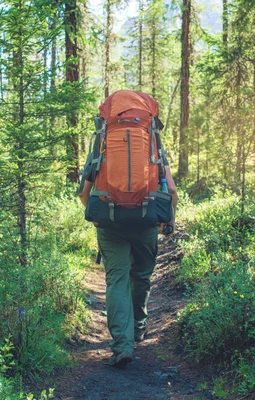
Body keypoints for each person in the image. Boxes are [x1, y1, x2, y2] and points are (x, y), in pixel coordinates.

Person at [78, 148, 178, 367]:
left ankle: (123, 346)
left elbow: (83, 193)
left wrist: (95, 216)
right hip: (146, 220)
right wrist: (169, 220)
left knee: (117, 280)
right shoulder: (154, 148)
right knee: (141, 275)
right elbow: (171, 189)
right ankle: (138, 328)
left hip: (109, 223)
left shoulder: (100, 147)